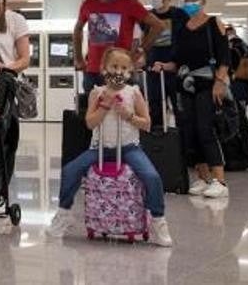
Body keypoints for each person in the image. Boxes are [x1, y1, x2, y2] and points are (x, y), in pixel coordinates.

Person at [46, 47, 172, 247]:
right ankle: (64, 213)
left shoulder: (134, 93)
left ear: (130, 71)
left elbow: (147, 123)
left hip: (129, 147)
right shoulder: (97, 92)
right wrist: (104, 106)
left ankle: (157, 219)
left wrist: (128, 115)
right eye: (114, 66)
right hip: (99, 148)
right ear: (104, 69)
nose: (119, 71)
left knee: (151, 176)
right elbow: (90, 123)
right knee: (70, 171)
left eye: (124, 68)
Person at [155, 0, 231, 198]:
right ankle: (202, 176)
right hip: (185, 85)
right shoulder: (181, 27)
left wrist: (219, 82)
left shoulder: (213, 23)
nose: (189, 2)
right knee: (189, 131)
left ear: (204, 1)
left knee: (206, 129)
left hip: (207, 84)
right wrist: (164, 65)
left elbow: (225, 57)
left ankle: (220, 180)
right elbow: (178, 61)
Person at [73, 0, 165, 93]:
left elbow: (159, 26)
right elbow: (78, 29)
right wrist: (79, 58)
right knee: (95, 110)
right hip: (94, 69)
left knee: (123, 109)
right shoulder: (88, 5)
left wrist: (140, 51)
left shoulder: (130, 4)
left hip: (121, 69)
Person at [144, 0, 188, 129]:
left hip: (175, 70)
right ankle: (159, 145)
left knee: (180, 110)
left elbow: (185, 41)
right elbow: (143, 42)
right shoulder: (148, 17)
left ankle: (183, 144)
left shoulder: (179, 15)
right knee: (155, 109)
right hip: (153, 71)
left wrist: (176, 63)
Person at [227, 26, 248, 114]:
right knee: (241, 110)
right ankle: (242, 125)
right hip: (245, 84)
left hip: (229, 83)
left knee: (230, 111)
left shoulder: (226, 50)